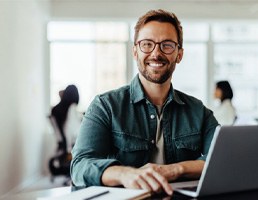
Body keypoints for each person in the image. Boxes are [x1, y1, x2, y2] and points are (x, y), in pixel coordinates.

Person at [71, 9, 218, 196]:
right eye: (147, 44)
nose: (156, 53)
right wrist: (124, 173)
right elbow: (80, 166)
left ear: (179, 54)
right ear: (135, 51)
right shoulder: (105, 106)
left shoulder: (199, 111)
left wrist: (176, 169)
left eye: (167, 45)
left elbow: (221, 160)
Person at [51, 84, 81, 154]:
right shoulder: (72, 108)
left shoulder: (55, 110)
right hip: (70, 149)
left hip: (62, 148)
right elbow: (73, 132)